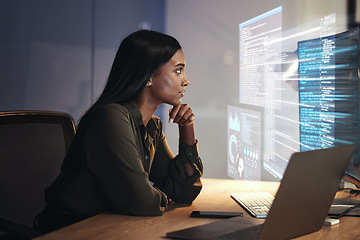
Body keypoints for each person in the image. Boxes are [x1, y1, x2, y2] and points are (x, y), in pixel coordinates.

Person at [34, 29, 203, 233]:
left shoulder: (152, 126)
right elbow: (141, 202)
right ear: (148, 76)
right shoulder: (110, 117)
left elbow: (183, 191)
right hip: (72, 230)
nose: (186, 80)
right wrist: (158, 195)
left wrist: (187, 129)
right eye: (178, 70)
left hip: (110, 227)